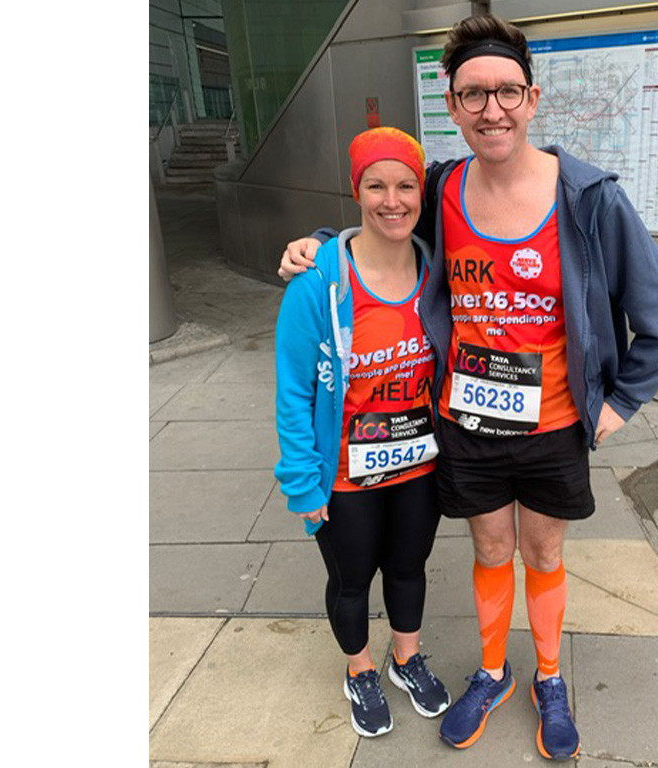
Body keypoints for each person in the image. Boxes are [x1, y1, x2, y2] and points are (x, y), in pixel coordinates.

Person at [278, 14, 658, 760]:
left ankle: (549, 678)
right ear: (453, 104)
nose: (491, 109)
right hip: (466, 425)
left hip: (555, 424)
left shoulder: (589, 198)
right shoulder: (441, 189)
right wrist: (319, 244)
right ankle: (494, 672)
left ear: (532, 98)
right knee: (492, 548)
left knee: (543, 553)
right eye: (473, 94)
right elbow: (385, 221)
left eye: (506, 92)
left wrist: (621, 402)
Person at [274, 126, 451, 739]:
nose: (392, 200)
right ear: (356, 192)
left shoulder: (437, 272)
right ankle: (361, 670)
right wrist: (303, 483)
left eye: (405, 186)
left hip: (419, 466)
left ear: (422, 194)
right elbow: (294, 392)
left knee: (409, 568)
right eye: (376, 186)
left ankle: (406, 658)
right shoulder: (316, 284)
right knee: (352, 582)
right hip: (346, 476)